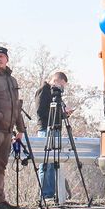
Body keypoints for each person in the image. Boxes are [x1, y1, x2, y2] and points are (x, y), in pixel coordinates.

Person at [0, 45, 25, 209]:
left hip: (9, 130)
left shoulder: (11, 79)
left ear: (7, 59)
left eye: (1, 56)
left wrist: (20, 127)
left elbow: (16, 105)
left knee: (2, 165)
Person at [34, 71, 69, 201]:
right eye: (61, 85)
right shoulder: (44, 90)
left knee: (53, 163)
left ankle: (51, 192)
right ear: (55, 80)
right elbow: (40, 111)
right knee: (46, 164)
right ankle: (45, 194)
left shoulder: (56, 95)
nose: (62, 88)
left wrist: (63, 114)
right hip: (45, 129)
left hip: (56, 129)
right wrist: (55, 112)